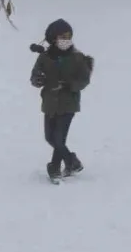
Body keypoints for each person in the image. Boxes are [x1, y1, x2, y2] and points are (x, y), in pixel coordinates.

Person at [29, 19, 93, 183]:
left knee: (59, 139)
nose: (66, 39)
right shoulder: (44, 57)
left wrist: (69, 86)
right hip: (49, 102)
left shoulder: (78, 58)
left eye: (68, 36)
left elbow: (84, 80)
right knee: (50, 137)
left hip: (69, 103)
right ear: (53, 38)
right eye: (61, 36)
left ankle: (55, 168)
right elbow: (35, 75)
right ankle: (72, 161)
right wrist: (38, 80)